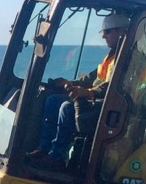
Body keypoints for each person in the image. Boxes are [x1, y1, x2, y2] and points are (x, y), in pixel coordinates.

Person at [29, 13, 130, 169]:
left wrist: (89, 93)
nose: (104, 36)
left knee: (67, 108)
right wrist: (69, 83)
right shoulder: (112, 55)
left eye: (107, 31)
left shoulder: (127, 58)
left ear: (122, 32)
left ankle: (58, 157)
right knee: (52, 99)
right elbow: (92, 78)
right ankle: (44, 148)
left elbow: (115, 86)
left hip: (105, 105)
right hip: (94, 99)